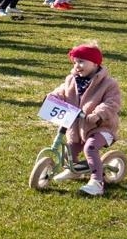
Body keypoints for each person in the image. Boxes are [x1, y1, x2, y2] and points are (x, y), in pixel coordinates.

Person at [45, 43, 123, 197]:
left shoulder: (108, 84)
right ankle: (72, 170)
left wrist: (98, 114)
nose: (77, 65)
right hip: (77, 127)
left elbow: (112, 103)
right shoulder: (72, 80)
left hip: (101, 127)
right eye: (75, 62)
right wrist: (52, 97)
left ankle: (97, 182)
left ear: (95, 63)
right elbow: (61, 92)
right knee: (69, 148)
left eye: (81, 61)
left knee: (90, 148)